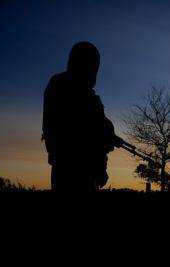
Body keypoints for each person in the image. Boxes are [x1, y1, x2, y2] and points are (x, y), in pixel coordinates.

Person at [42, 41, 125, 192]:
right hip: (74, 171)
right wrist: (105, 141)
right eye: (93, 66)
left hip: (72, 170)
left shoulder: (69, 88)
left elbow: (96, 127)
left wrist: (108, 137)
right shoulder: (67, 88)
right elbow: (82, 131)